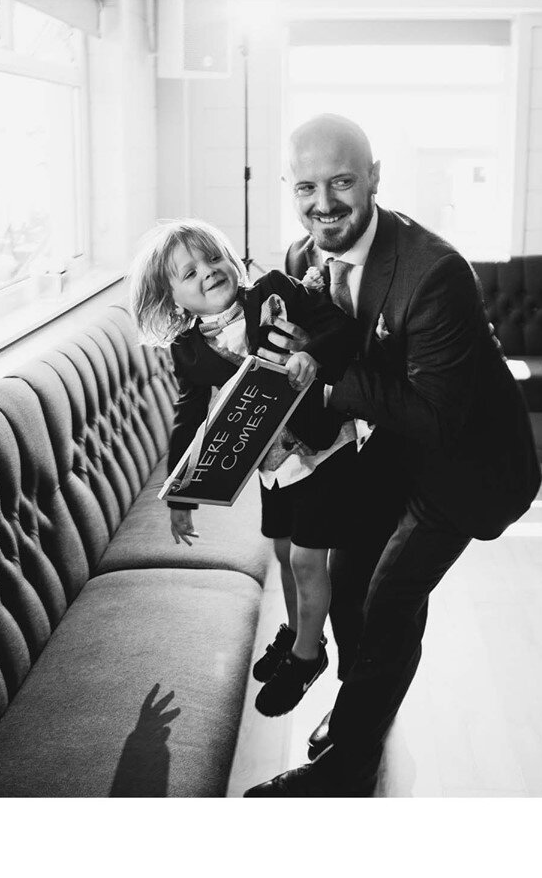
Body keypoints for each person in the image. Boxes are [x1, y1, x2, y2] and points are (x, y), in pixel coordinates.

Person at [244, 114, 542, 797]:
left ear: (374, 178)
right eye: (307, 187)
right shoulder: (299, 261)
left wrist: (314, 371)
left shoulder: (434, 273)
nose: (324, 203)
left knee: (385, 601)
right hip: (385, 450)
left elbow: (435, 420)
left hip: (463, 464)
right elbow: (311, 362)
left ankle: (347, 768)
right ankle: (360, 713)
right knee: (350, 588)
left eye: (343, 181)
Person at [128, 218, 366, 716]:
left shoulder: (275, 291)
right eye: (188, 272)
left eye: (213, 258)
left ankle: (308, 655)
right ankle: (300, 631)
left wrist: (312, 356)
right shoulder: (189, 349)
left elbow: (340, 327)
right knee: (282, 551)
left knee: (306, 559)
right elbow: (189, 416)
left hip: (323, 449)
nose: (207, 272)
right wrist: (181, 494)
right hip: (272, 464)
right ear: (175, 300)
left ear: (230, 260)